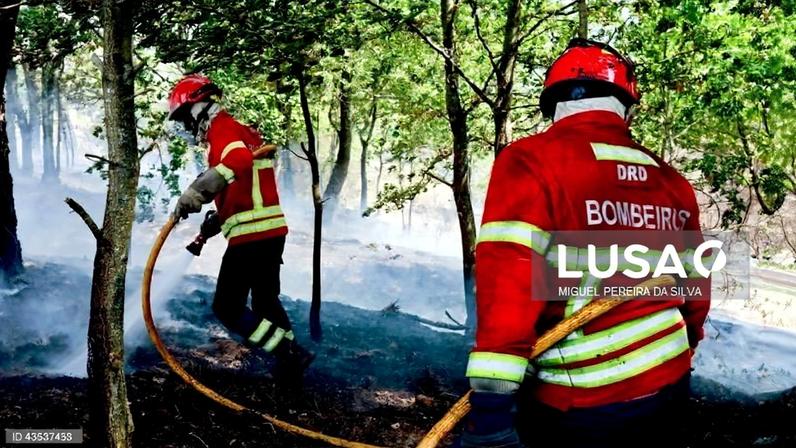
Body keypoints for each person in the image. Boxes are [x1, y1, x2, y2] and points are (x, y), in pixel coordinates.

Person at [460, 39, 711, 448]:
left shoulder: (530, 161)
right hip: (670, 383)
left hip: (582, 404)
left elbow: (508, 289)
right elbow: (695, 292)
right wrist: (683, 351)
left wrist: (490, 413)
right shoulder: (671, 181)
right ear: (625, 105)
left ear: (553, 102)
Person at [167, 73, 314, 380]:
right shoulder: (239, 130)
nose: (185, 126)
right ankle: (290, 369)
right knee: (265, 302)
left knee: (227, 307)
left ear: (198, 108)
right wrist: (216, 221)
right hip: (270, 231)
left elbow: (238, 163)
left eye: (184, 117)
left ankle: (289, 353)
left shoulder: (224, 130)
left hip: (252, 235)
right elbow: (245, 188)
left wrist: (197, 191)